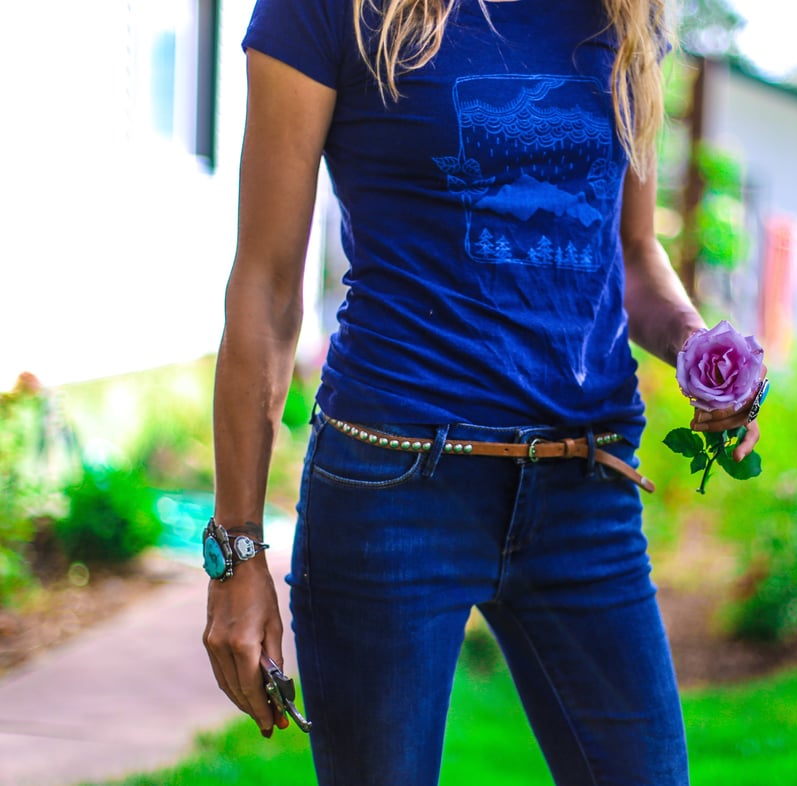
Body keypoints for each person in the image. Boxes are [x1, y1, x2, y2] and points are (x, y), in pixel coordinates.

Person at [203, 1, 762, 784]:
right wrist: (236, 554)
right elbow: (265, 288)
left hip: (586, 487)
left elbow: (631, 254)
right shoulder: (331, 9)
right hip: (393, 489)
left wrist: (700, 347)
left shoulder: (624, 14)